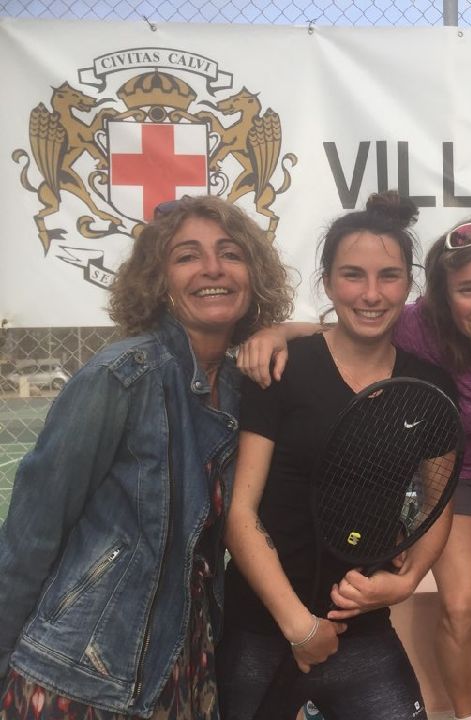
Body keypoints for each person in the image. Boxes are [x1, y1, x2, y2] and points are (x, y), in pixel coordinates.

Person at [238, 215, 471, 720]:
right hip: (462, 476)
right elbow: (347, 325)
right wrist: (276, 331)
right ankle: (468, 717)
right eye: (468, 288)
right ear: (442, 294)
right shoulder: (418, 326)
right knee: (459, 607)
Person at [0, 195, 293, 719]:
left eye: (230, 253)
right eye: (186, 256)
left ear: (253, 275)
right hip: (85, 669)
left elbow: (353, 335)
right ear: (159, 283)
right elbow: (32, 532)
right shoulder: (123, 374)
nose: (212, 269)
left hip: (181, 664)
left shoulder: (240, 389)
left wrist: (282, 331)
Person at [216, 192, 458, 720]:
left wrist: (408, 578)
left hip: (362, 629)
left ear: (408, 284)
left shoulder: (430, 388)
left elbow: (440, 508)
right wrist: (299, 627)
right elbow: (241, 515)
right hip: (260, 627)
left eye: (389, 276)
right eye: (352, 275)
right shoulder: (280, 369)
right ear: (326, 281)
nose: (371, 294)